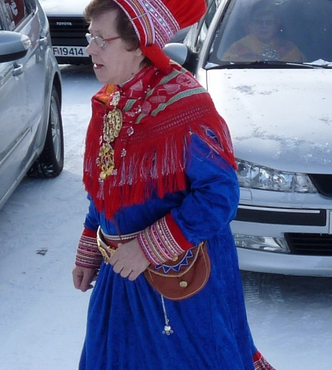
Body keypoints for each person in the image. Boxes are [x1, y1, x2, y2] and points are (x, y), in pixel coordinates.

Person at [70, 0, 275, 369]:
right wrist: (91, 240)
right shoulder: (111, 101)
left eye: (101, 38)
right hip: (121, 279)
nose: (90, 48)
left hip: (180, 283)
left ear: (138, 43)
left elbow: (220, 196)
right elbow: (107, 182)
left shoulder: (186, 108)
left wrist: (148, 247)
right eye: (90, 36)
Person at [221, 0, 304, 62]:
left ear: (276, 26)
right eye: (258, 22)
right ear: (248, 25)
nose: (264, 26)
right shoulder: (236, 50)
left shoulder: (289, 49)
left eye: (269, 22)